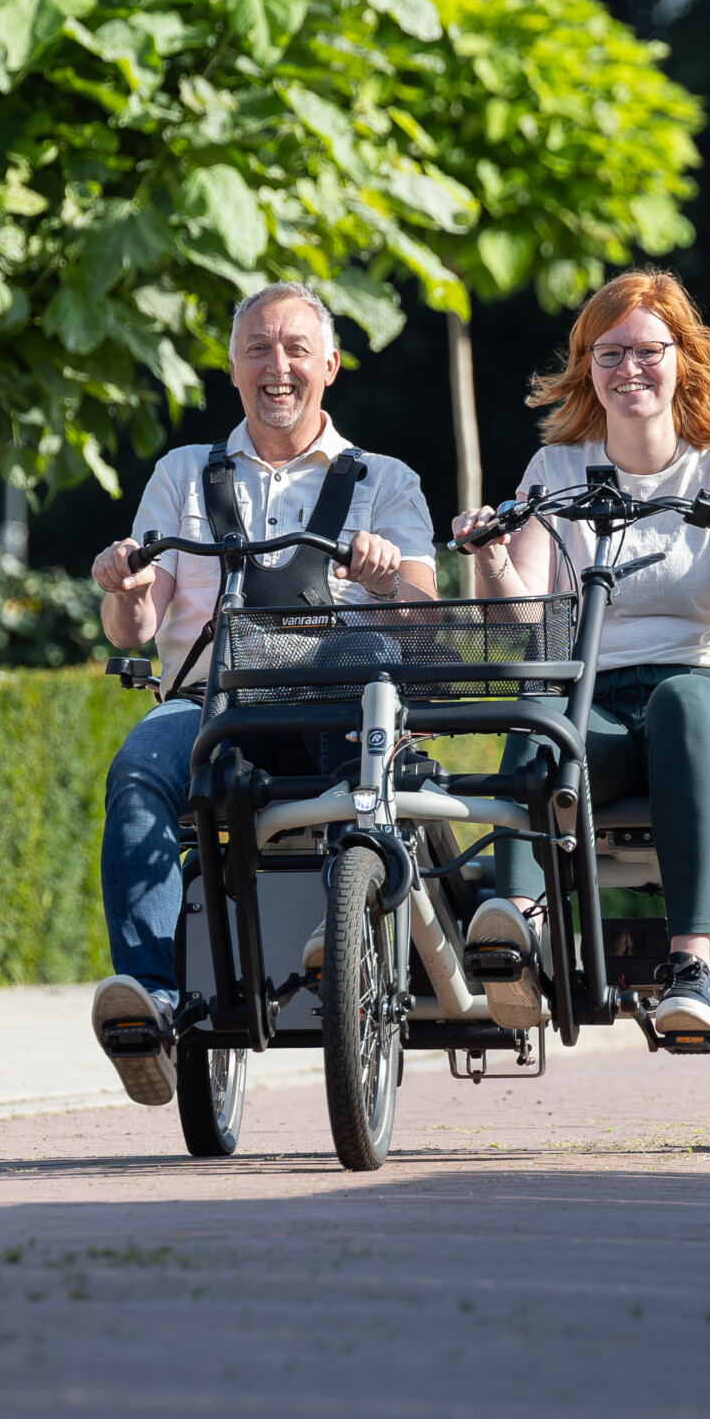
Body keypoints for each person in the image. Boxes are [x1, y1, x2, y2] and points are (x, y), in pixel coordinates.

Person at [86, 282, 438, 1106]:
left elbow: (424, 625)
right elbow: (133, 629)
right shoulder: (183, 474)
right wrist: (124, 582)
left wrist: (387, 579)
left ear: (330, 365)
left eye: (294, 349)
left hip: (340, 709)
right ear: (234, 368)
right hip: (213, 708)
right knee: (139, 770)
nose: (277, 367)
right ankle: (153, 1001)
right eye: (258, 350)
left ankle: (339, 927)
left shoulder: (384, 480)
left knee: (362, 653)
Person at [452, 268, 710, 1037]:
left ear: (683, 358)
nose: (628, 369)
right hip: (598, 707)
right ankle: (517, 926)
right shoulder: (559, 471)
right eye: (608, 354)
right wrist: (492, 552)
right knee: (540, 715)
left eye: (647, 350)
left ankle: (693, 963)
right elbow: (524, 621)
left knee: (680, 701)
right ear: (587, 369)